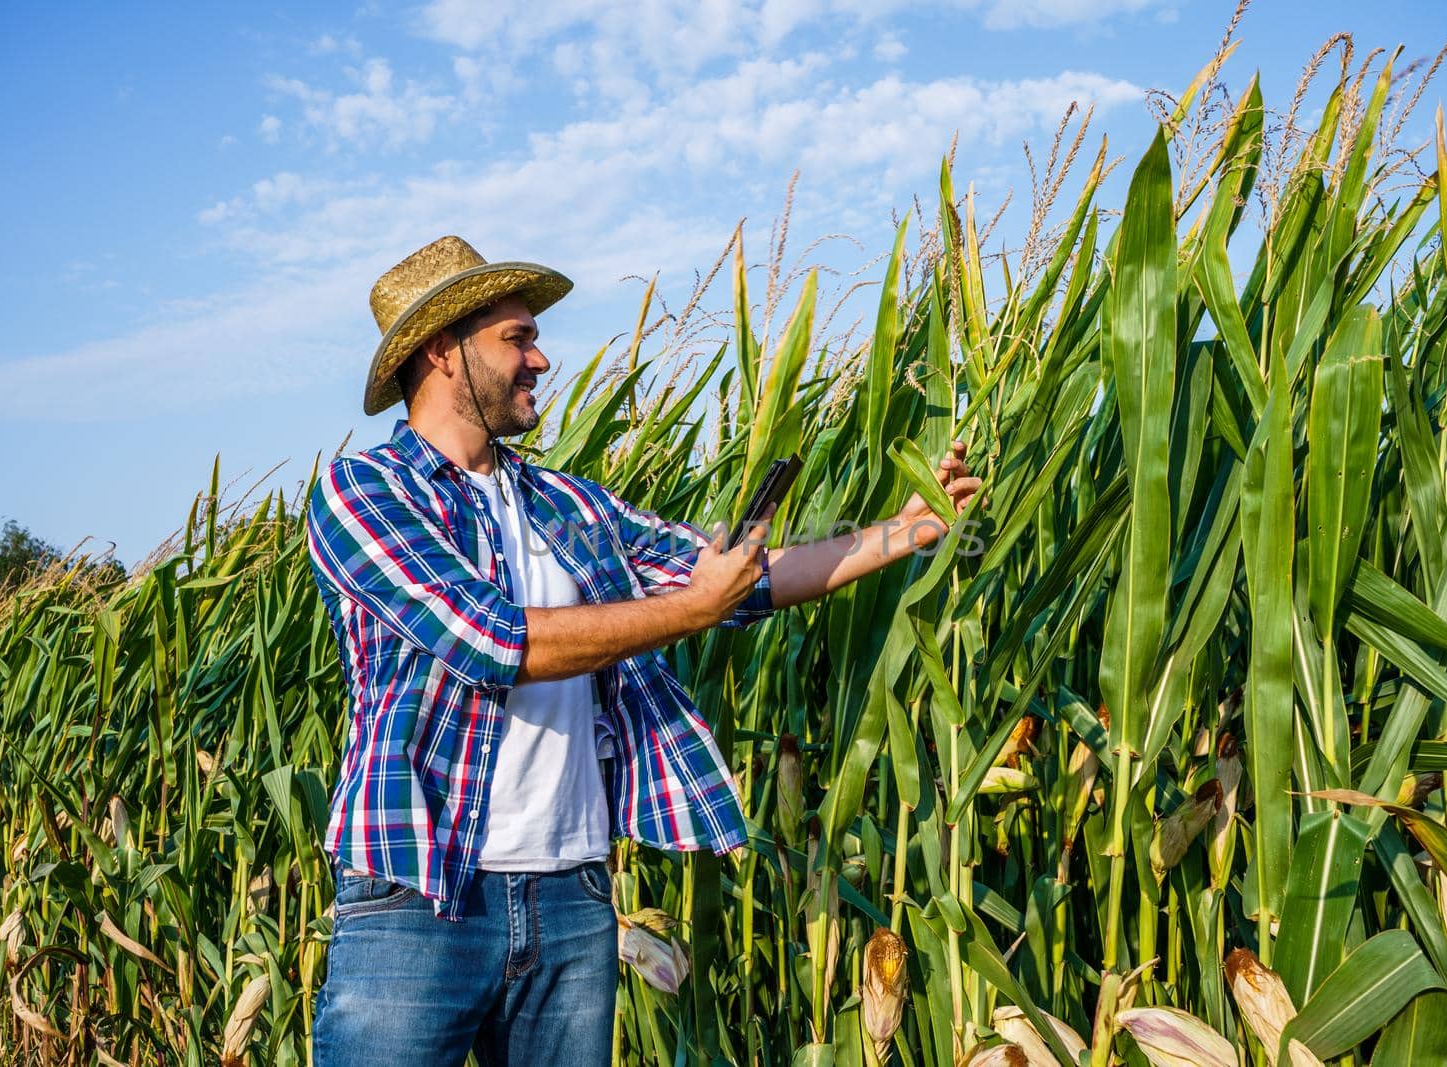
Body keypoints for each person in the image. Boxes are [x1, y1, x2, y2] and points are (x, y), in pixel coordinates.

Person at [304, 235, 982, 1065]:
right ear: (443, 350)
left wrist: (906, 528)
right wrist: (693, 609)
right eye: (517, 337)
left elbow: (741, 577)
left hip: (571, 896)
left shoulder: (569, 503)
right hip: (419, 895)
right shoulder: (364, 492)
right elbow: (492, 642)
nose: (541, 357)